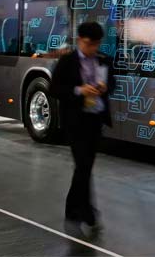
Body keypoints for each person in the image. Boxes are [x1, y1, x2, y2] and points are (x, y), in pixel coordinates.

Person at [49, 22, 114, 234]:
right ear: (79, 40)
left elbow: (112, 84)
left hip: (95, 119)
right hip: (75, 121)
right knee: (83, 165)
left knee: (84, 167)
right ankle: (87, 212)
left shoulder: (103, 60)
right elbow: (55, 89)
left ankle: (73, 208)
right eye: (88, 44)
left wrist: (104, 87)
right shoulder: (67, 61)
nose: (92, 48)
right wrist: (79, 90)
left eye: (96, 44)